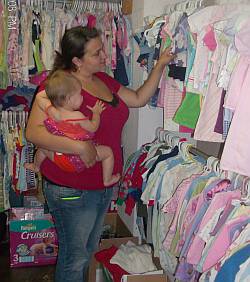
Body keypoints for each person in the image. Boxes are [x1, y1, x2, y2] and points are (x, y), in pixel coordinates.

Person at [25, 26, 175, 282]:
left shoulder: (103, 80)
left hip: (101, 185)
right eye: (97, 53)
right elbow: (34, 133)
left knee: (86, 252)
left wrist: (160, 65)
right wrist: (81, 147)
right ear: (77, 60)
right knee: (75, 258)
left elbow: (138, 98)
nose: (105, 57)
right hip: (71, 188)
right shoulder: (59, 86)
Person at [25, 70, 120, 187]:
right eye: (79, 94)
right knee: (108, 153)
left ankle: (36, 165)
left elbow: (40, 98)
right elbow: (93, 127)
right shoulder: (77, 116)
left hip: (58, 157)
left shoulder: (53, 112)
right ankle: (107, 179)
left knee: (43, 149)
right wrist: (96, 113)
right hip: (77, 160)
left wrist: (49, 106)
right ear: (69, 99)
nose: (82, 97)